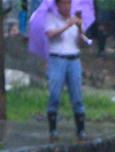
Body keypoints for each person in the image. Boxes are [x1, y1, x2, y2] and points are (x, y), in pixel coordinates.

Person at [45, 0, 87, 140]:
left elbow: (82, 44)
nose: (66, 7)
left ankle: (81, 129)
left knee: (77, 95)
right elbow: (50, 34)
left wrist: (80, 28)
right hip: (57, 58)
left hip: (74, 59)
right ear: (58, 5)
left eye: (68, 4)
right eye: (63, 4)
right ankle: (53, 128)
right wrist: (66, 26)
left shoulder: (76, 20)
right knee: (55, 94)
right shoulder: (51, 18)